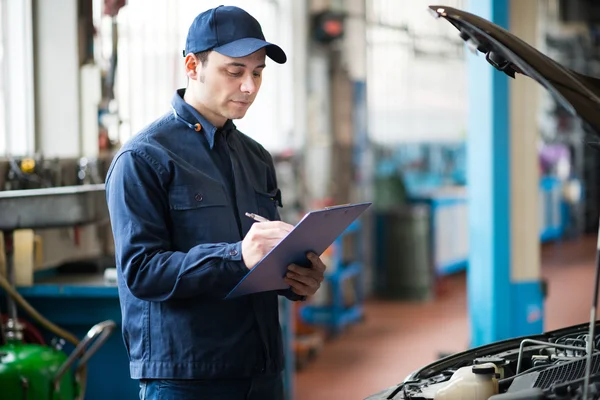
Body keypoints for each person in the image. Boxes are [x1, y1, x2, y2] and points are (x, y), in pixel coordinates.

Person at [104, 5, 327, 400]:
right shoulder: (144, 159)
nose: (249, 86)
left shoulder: (256, 157)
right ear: (193, 66)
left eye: (257, 73)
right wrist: (236, 255)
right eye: (234, 71)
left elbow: (264, 260)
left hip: (262, 371)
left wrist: (298, 279)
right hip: (187, 378)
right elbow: (140, 272)